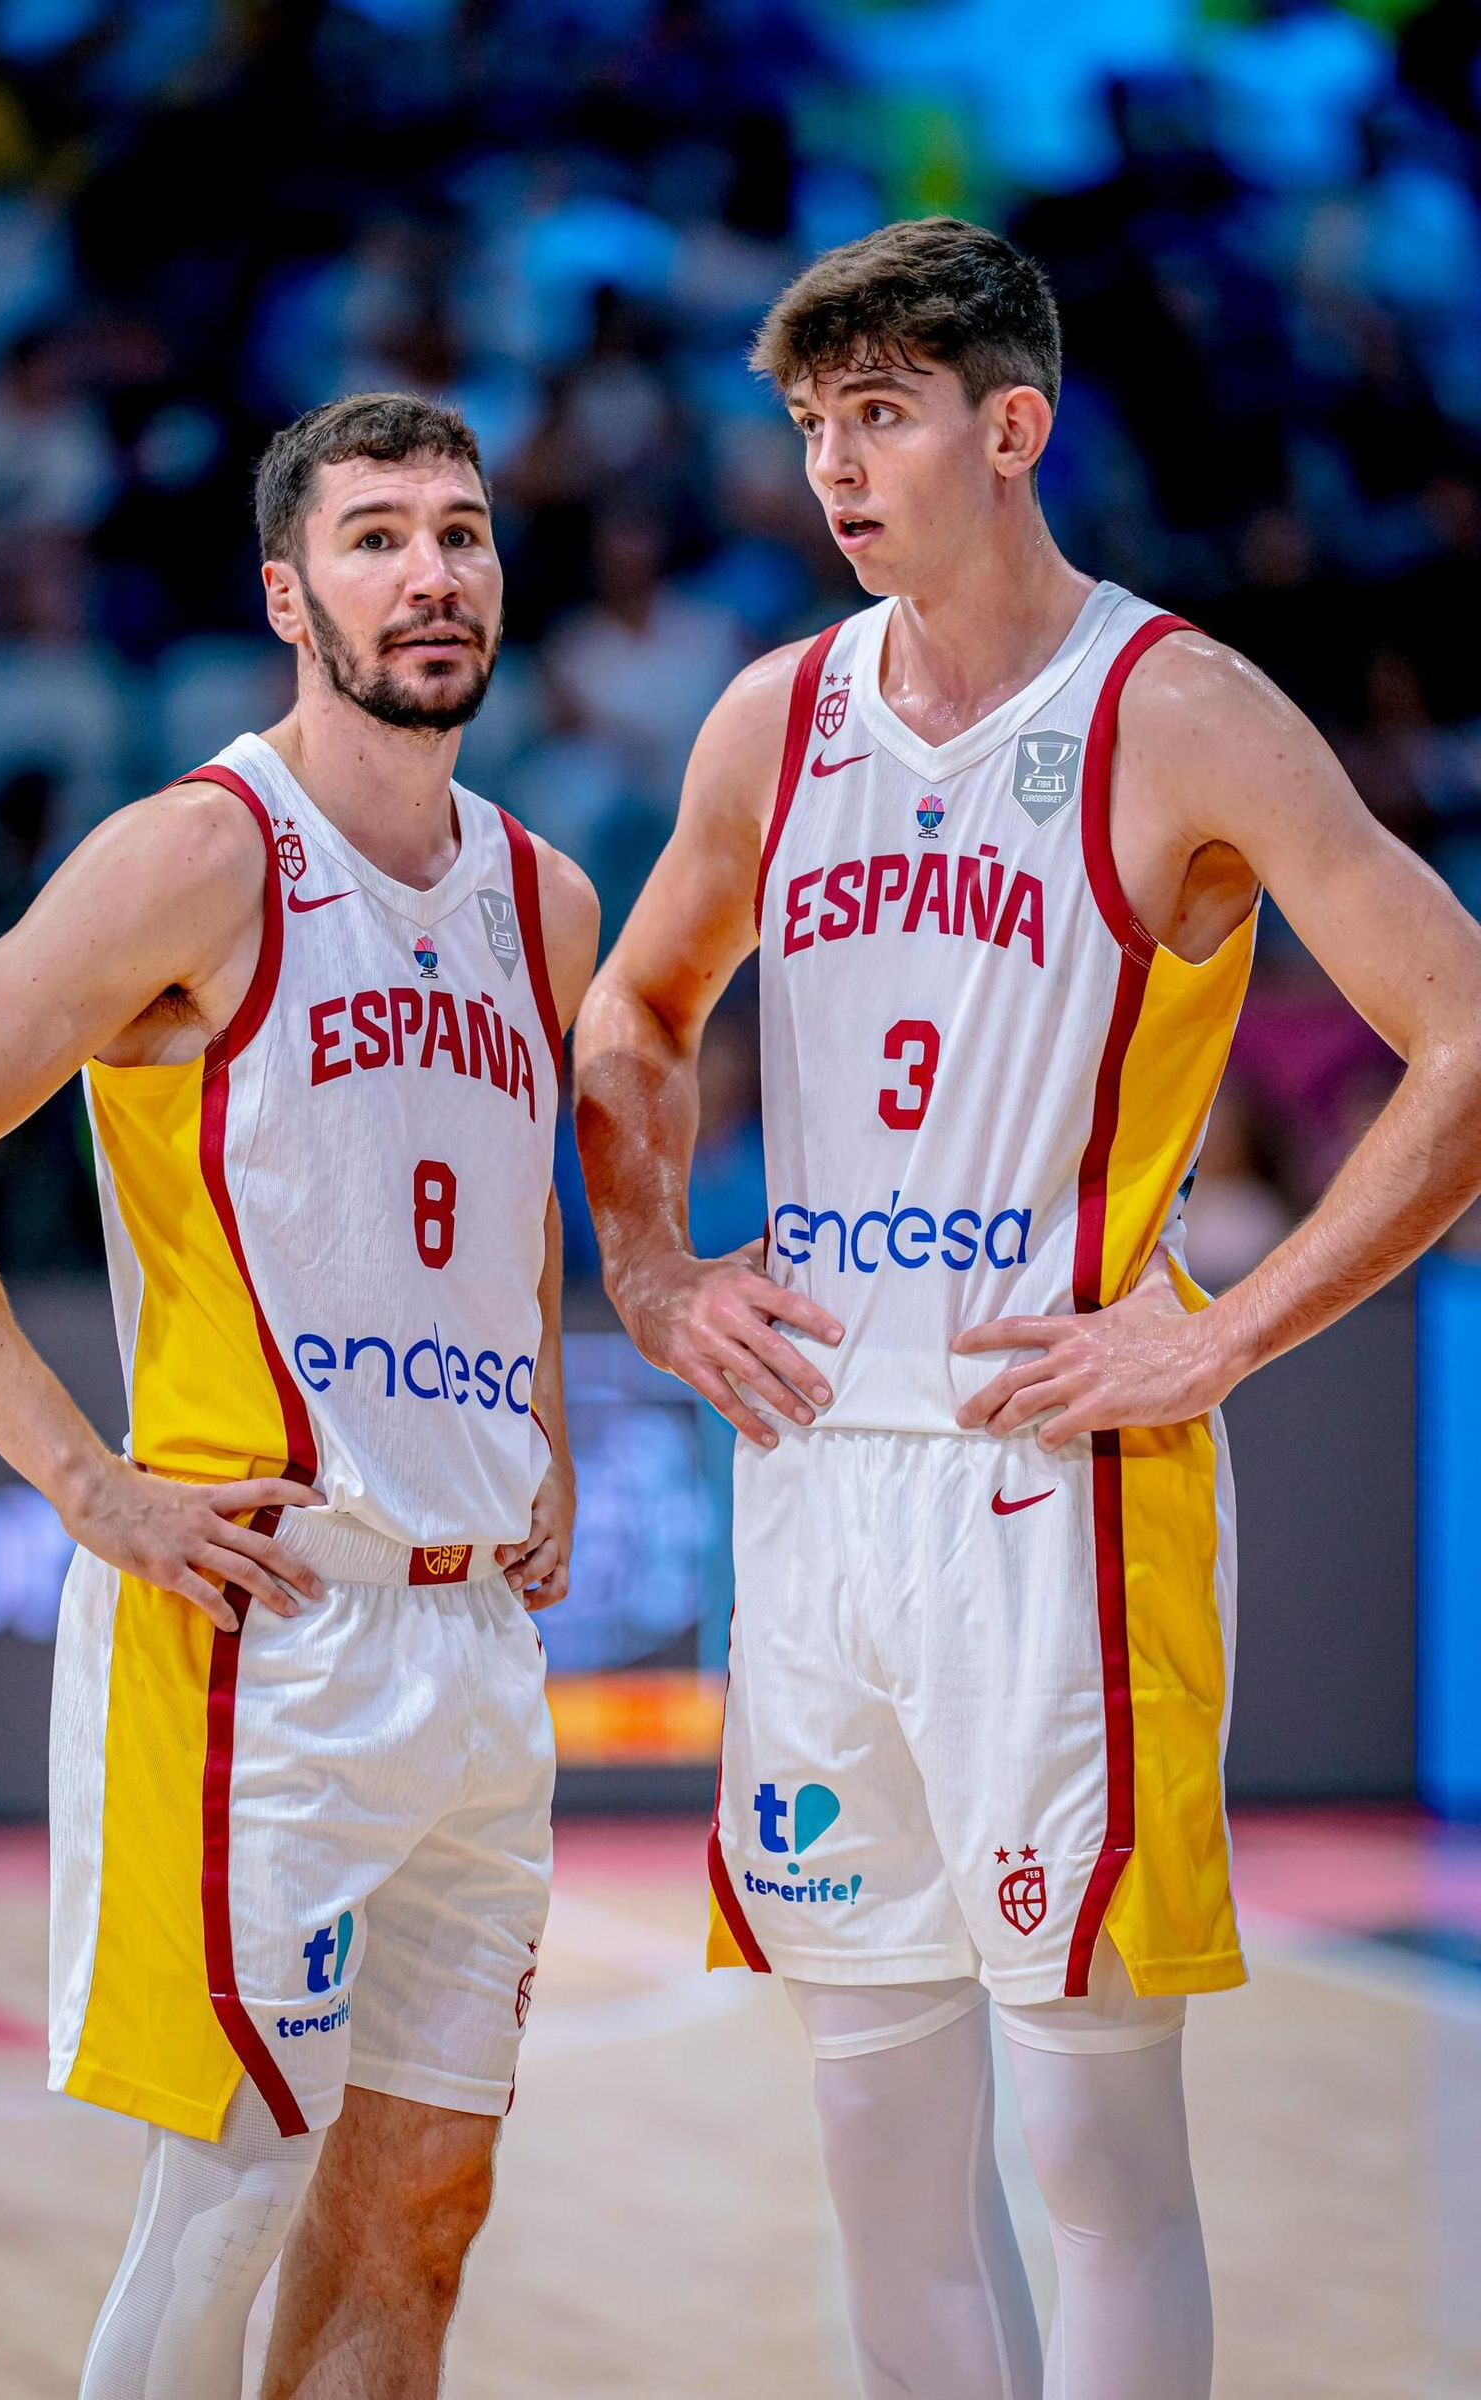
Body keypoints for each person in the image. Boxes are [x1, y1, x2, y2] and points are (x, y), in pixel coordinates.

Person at [573, 216, 1481, 2400]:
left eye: (874, 416)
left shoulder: (1173, 709)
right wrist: (646, 1267)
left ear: (1010, 427)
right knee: (875, 2133)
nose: (831, 469)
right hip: (816, 1482)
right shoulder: (769, 717)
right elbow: (629, 1010)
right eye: (806, 427)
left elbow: (1458, 1033)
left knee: (1085, 2130)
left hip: (1057, 1483)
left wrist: (1226, 1330)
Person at [0, 390, 598, 2399]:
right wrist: (83, 1484)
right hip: (261, 1639)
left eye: (459, 531)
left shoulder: (544, 897)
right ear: (286, 593)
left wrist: (532, 1412)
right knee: (215, 2217)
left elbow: (510, 1200)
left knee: (420, 2227)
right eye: (375, 536)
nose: (431, 571)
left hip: (472, 1640)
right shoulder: (200, 851)